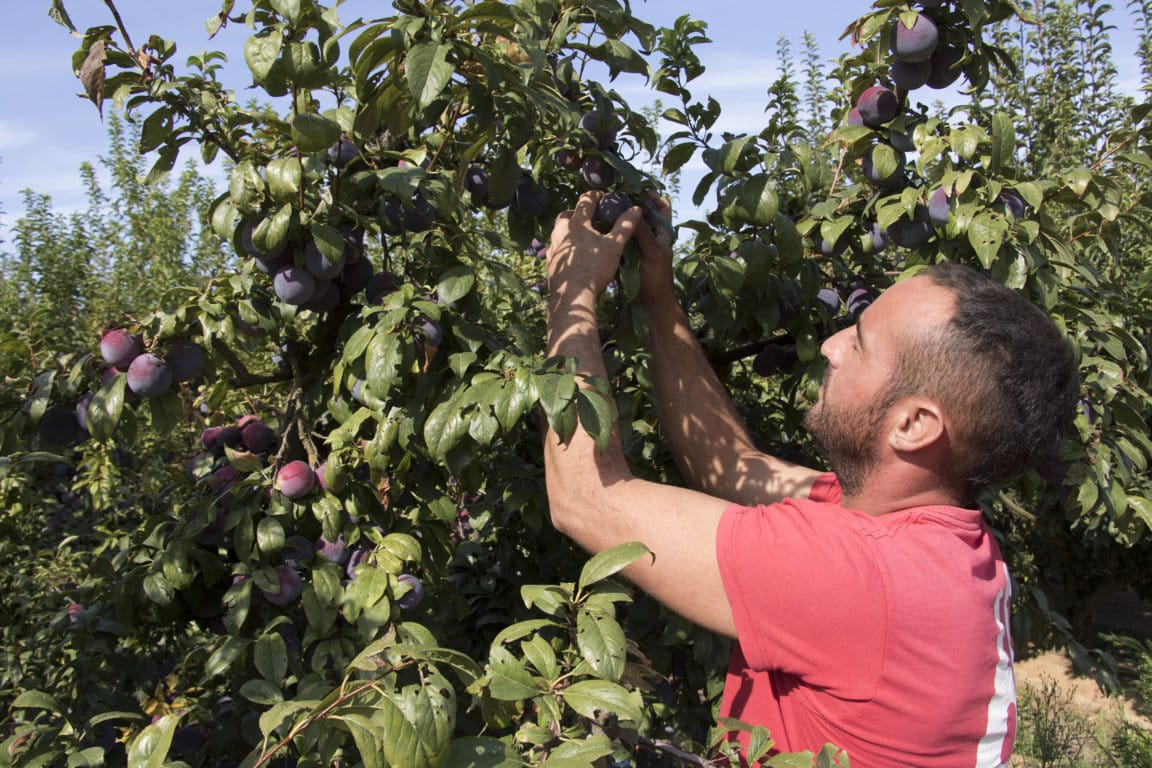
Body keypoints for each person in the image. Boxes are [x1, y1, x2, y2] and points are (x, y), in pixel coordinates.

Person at [542, 190, 1081, 767]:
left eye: (862, 343)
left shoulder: (860, 578)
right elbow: (733, 464)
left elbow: (585, 497)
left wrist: (572, 293)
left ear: (914, 423)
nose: (830, 345)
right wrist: (658, 295)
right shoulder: (929, 535)